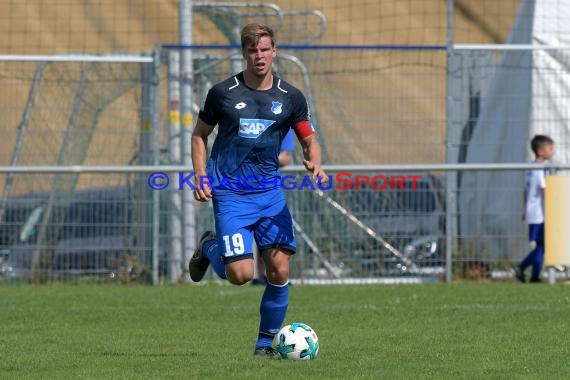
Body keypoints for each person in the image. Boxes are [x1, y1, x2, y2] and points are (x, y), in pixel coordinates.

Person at [189, 23, 327, 358]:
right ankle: (209, 247)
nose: (259, 57)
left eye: (265, 50)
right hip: (231, 194)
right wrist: (200, 174)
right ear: (244, 53)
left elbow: (309, 139)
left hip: (269, 196)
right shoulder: (223, 93)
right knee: (241, 274)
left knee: (279, 269)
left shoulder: (290, 97)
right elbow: (199, 135)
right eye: (253, 51)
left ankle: (265, 344)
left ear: (274, 51)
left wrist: (315, 163)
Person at [251, 129, 295, 286]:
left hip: (271, 190)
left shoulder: (284, 122)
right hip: (241, 189)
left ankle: (273, 274)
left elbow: (285, 157)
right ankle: (258, 275)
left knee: (273, 234)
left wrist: (259, 161)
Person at [515, 134, 554, 283]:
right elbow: (545, 190)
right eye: (550, 149)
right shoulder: (539, 170)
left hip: (532, 212)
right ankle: (522, 267)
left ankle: (535, 277)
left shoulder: (530, 168)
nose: (552, 152)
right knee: (541, 246)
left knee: (542, 246)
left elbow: (525, 190)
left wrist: (524, 209)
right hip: (538, 214)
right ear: (541, 152)